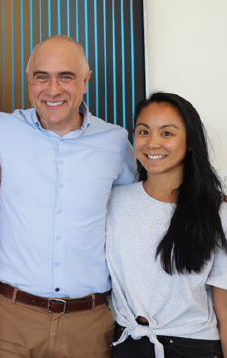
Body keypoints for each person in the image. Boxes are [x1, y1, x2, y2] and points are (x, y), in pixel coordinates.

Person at [0, 35, 136, 357]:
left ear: (86, 81)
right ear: (29, 79)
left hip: (88, 325)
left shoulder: (115, 142)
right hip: (11, 320)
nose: (53, 89)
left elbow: (143, 204)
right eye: (42, 76)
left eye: (66, 76)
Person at [106, 92, 227, 358]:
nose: (152, 143)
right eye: (143, 131)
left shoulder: (217, 211)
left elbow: (225, 307)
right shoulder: (113, 201)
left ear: (190, 142)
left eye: (167, 133)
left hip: (194, 347)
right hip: (128, 343)